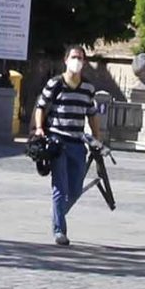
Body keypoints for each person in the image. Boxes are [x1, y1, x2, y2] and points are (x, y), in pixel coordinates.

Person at [35, 45, 105, 244]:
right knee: (60, 187)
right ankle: (60, 231)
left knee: (75, 189)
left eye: (81, 58)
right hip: (57, 140)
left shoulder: (88, 88)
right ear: (66, 60)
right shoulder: (55, 83)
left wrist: (97, 139)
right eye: (74, 57)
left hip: (78, 143)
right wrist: (40, 128)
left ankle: (58, 214)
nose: (77, 61)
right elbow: (41, 107)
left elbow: (92, 115)